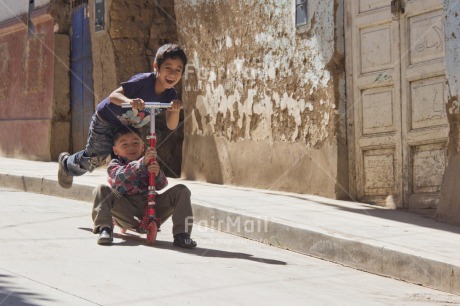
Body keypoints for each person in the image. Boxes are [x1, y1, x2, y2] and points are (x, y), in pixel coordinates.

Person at [58, 43, 187, 189]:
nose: (172, 73)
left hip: (128, 126)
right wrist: (130, 102)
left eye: (178, 69)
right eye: (168, 67)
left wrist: (175, 110)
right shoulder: (143, 81)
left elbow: (171, 125)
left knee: (127, 161)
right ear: (156, 67)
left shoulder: (170, 95)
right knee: (95, 158)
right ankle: (67, 164)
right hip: (106, 120)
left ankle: (122, 197)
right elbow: (114, 96)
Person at [92, 127, 196, 248]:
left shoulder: (149, 163)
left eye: (136, 143)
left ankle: (182, 235)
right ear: (115, 150)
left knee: (181, 190)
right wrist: (141, 164)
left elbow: (162, 185)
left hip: (151, 206)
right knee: (101, 189)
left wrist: (157, 174)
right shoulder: (115, 165)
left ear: (142, 147)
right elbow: (120, 177)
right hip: (127, 210)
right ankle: (105, 229)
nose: (131, 147)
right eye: (124, 144)